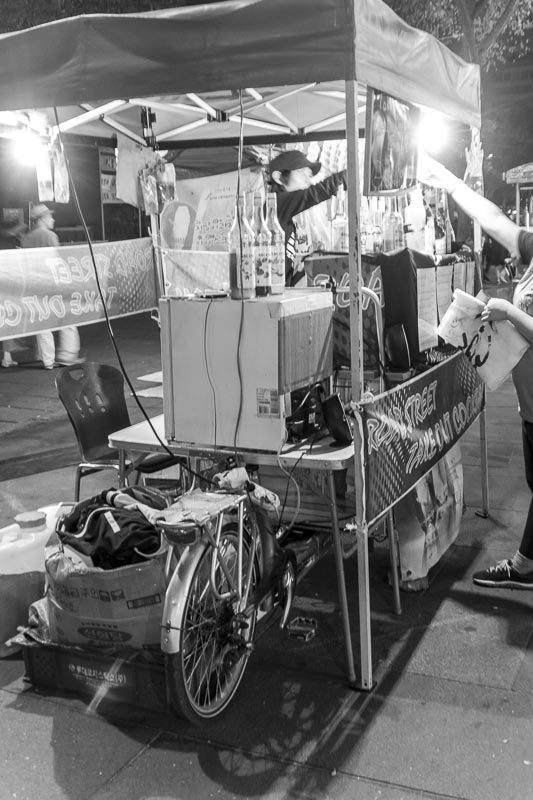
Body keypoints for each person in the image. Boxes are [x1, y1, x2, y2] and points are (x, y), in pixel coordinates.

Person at [421, 154, 533, 589]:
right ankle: (526, 566)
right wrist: (449, 182)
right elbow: (491, 216)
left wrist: (506, 310)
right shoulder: (531, 246)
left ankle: (524, 566)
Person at [267, 150, 347, 286]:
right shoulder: (275, 203)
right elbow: (312, 194)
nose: (308, 180)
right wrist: (345, 176)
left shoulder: (287, 213)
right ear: (279, 177)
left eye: (309, 175)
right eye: (301, 173)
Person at [20, 204, 83, 369]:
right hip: (51, 282)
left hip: (34, 283)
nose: (52, 219)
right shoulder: (49, 236)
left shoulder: (26, 238)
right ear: (42, 219)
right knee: (68, 316)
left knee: (42, 321)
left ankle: (46, 359)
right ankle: (68, 355)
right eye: (50, 216)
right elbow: (57, 259)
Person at [0, 219, 27, 368]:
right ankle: (7, 356)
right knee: (7, 318)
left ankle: (7, 356)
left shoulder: (8, 239)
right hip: (6, 286)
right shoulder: (8, 239)